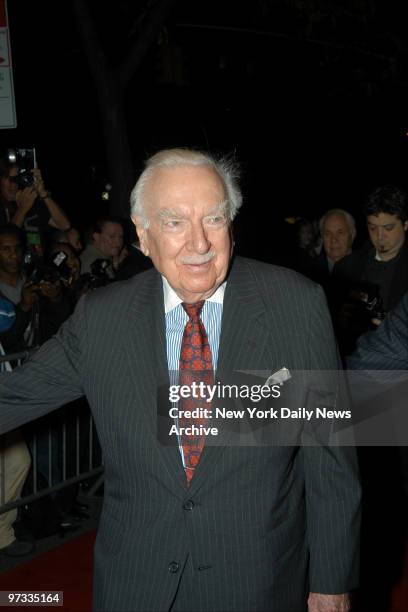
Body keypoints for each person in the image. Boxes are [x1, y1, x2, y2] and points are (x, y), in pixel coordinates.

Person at [0, 149, 361, 611]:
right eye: (174, 223)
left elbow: (330, 454)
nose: (199, 244)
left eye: (213, 219)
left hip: (258, 580)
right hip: (138, 582)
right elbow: (16, 394)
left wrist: (331, 581)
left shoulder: (295, 304)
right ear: (142, 234)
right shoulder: (102, 320)